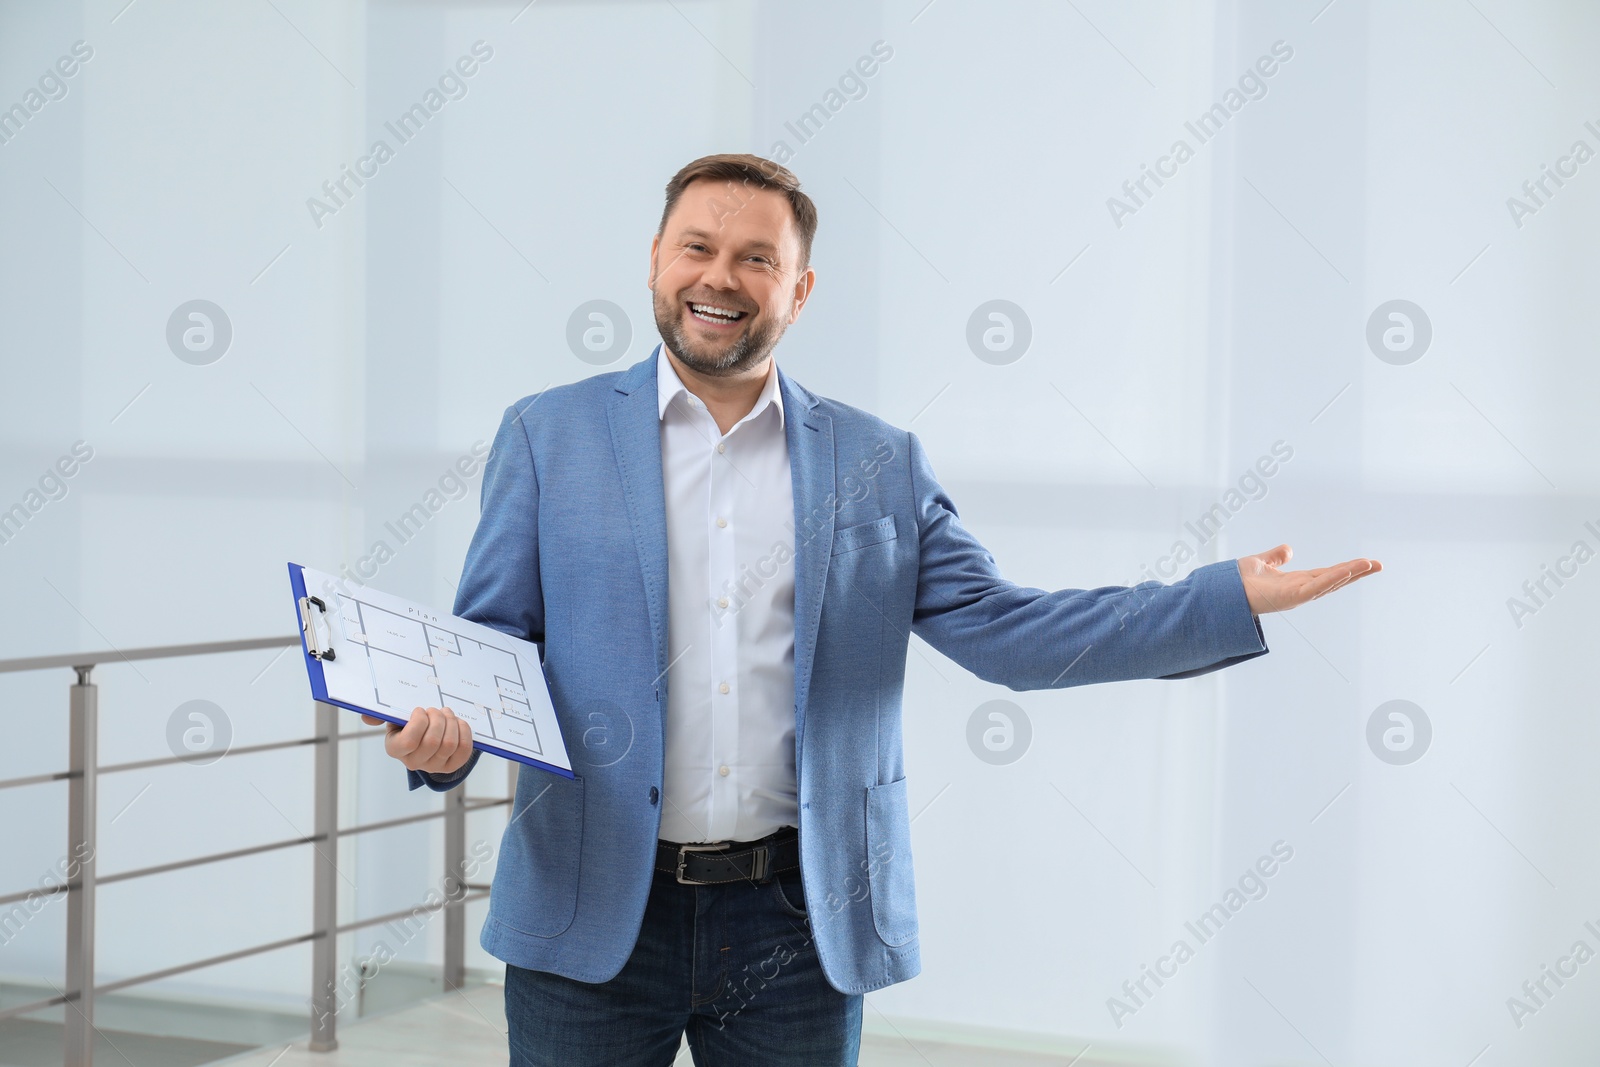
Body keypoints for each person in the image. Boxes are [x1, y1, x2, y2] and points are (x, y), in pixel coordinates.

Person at [362, 153, 1381, 1066]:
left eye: (755, 259)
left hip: (796, 923)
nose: (719, 277)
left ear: (797, 290)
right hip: (587, 904)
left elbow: (1009, 631)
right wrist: (442, 740)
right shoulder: (548, 434)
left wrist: (1222, 598)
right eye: (697, 247)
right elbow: (493, 640)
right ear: (654, 261)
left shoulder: (876, 460)